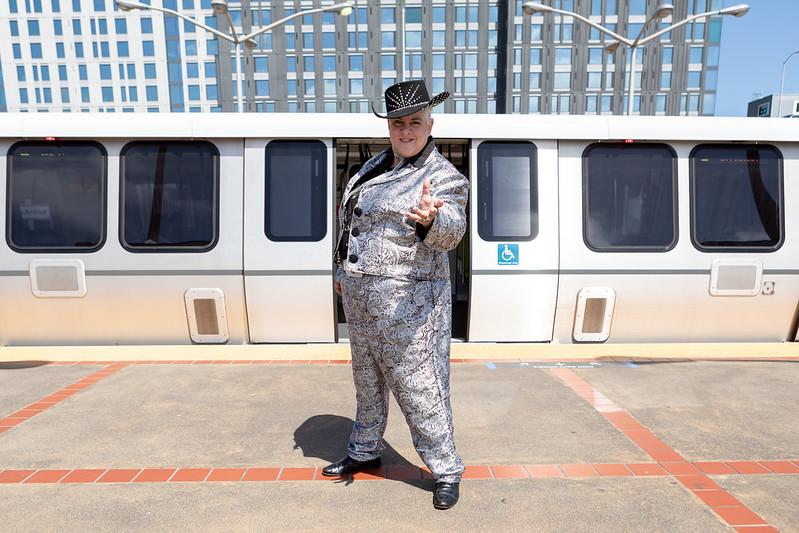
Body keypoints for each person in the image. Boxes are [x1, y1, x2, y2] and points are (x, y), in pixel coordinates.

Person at [322, 80, 468, 510]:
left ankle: (446, 469)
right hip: (361, 299)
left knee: (420, 388)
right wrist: (340, 268)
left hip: (411, 308)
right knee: (366, 381)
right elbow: (350, 219)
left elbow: (452, 229)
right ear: (389, 126)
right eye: (399, 123)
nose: (407, 131)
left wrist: (430, 222)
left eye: (415, 123)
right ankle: (365, 449)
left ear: (430, 124)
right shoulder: (371, 168)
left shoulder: (442, 176)